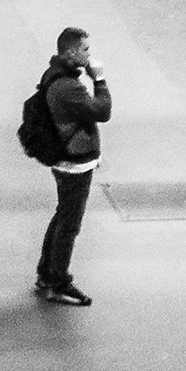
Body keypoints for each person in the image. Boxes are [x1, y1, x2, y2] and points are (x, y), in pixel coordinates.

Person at [34, 27, 111, 306]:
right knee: (70, 225)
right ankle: (58, 281)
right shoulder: (68, 87)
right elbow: (102, 111)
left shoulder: (54, 75)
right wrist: (99, 79)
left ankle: (45, 273)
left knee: (62, 214)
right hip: (73, 164)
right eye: (86, 49)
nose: (90, 54)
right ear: (71, 52)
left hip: (64, 159)